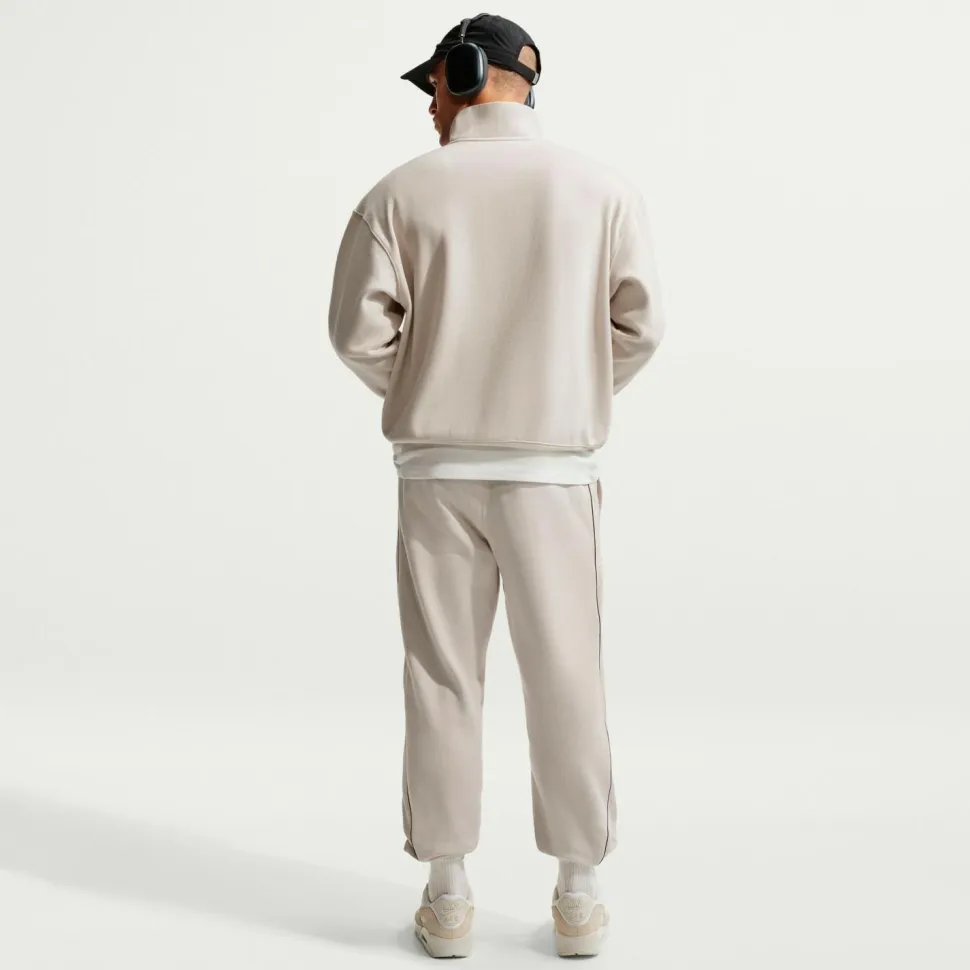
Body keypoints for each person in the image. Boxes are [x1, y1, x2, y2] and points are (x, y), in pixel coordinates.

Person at [327, 12, 665, 959]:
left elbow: (356, 334)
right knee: (567, 674)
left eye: (433, 83)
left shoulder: (398, 194)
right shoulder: (601, 191)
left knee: (442, 678)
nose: (430, 105)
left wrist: (431, 386)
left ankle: (447, 895)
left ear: (469, 70)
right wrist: (563, 386)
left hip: (436, 474)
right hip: (551, 476)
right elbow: (639, 327)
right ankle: (579, 894)